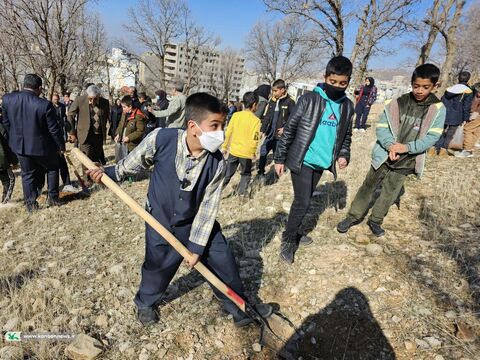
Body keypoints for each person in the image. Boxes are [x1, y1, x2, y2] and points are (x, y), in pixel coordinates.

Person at [87, 92, 272, 327]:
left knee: (223, 259)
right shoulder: (161, 139)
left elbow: (208, 206)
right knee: (158, 265)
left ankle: (239, 306)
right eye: (214, 125)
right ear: (193, 126)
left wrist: (196, 246)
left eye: (222, 125)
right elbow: (132, 164)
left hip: (196, 220)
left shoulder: (217, 162)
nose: (220, 132)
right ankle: (145, 302)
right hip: (160, 220)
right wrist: (108, 173)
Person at [337, 64, 446, 237]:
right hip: (384, 155)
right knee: (368, 186)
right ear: (411, 83)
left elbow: (432, 137)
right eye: (416, 86)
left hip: (407, 160)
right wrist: (390, 145)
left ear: (435, 86)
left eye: (425, 87)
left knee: (390, 191)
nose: (419, 90)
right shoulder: (397, 102)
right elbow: (382, 127)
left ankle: (376, 220)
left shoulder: (438, 109)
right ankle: (353, 216)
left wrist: (406, 148)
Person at [274, 56, 354, 264]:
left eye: (342, 83)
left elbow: (346, 136)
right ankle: (289, 239)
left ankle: (296, 231)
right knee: (303, 201)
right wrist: (279, 157)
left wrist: (344, 154)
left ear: (348, 82)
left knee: (306, 199)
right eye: (333, 82)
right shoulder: (309, 99)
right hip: (303, 159)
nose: (337, 86)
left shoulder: (347, 106)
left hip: (321, 162)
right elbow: (290, 129)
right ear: (325, 77)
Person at [2, 74, 65, 212]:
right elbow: (54, 130)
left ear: (24, 84)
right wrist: (61, 146)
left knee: (27, 174)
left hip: (19, 145)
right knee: (53, 168)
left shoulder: (8, 99)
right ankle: (53, 198)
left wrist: (15, 135)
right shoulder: (44, 104)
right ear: (40, 88)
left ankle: (31, 205)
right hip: (42, 146)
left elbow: (6, 123)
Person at [222, 92, 261, 198]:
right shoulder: (256, 121)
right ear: (254, 105)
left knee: (227, 174)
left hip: (234, 151)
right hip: (246, 154)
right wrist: (253, 152)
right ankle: (242, 194)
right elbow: (255, 138)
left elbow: (228, 132)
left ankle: (217, 190)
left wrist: (225, 147)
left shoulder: (235, 115)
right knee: (246, 174)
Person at [258, 79, 295, 181]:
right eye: (272, 91)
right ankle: (261, 172)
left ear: (282, 90)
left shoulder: (290, 102)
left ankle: (277, 176)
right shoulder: (272, 101)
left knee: (277, 156)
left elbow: (294, 119)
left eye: (275, 91)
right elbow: (267, 117)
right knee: (263, 150)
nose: (273, 93)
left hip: (280, 136)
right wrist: (262, 130)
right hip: (270, 134)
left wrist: (285, 128)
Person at [67, 85, 110, 168]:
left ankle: (96, 178)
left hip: (98, 136)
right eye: (90, 99)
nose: (92, 101)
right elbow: (70, 115)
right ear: (87, 95)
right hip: (84, 135)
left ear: (99, 96)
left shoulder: (105, 102)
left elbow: (106, 118)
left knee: (96, 158)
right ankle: (87, 180)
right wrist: (72, 132)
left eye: (95, 99)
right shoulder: (80, 100)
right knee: (86, 158)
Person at [433, 71, 473, 156]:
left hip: (444, 113)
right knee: (450, 134)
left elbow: (442, 100)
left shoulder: (449, 88)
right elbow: (466, 106)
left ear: (458, 78)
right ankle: (443, 150)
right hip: (457, 115)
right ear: (468, 79)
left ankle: (434, 148)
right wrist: (466, 118)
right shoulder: (468, 91)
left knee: (440, 131)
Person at [52, 93, 75, 192]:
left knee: (62, 161)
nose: (56, 100)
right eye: (55, 99)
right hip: (52, 138)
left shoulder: (61, 106)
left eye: (57, 99)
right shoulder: (50, 107)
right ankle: (53, 186)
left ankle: (67, 182)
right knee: (54, 164)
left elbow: (64, 119)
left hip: (60, 134)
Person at [455, 82, 480, 158]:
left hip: (477, 115)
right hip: (477, 114)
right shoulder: (474, 92)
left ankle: (467, 150)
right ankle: (471, 145)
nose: (477, 93)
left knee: (467, 129)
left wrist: (476, 112)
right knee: (476, 130)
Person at [0, 121, 17, 203]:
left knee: (5, 180)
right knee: (10, 180)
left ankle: (4, 198)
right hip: (2, 161)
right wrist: (14, 161)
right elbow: (7, 145)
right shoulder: (1, 127)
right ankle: (5, 202)